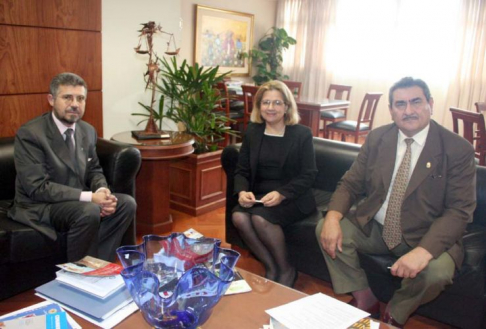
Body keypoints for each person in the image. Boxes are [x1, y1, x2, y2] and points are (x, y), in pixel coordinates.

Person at [316, 77, 476, 327]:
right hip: (377, 227)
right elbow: (350, 183)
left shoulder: (457, 149)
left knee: (436, 273)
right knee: (325, 229)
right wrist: (333, 217)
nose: (408, 110)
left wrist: (423, 252)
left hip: (427, 235)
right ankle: (364, 297)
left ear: (430, 104)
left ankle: (396, 313)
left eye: (416, 102)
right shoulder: (378, 138)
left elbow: (459, 211)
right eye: (400, 104)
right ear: (391, 110)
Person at [8, 72, 136, 262]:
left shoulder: (87, 130)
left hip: (74, 201)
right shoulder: (31, 134)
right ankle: (79, 276)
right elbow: (37, 188)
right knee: (89, 209)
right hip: (40, 205)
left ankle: (97, 264)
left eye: (80, 98)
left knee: (126, 204)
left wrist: (102, 191)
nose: (75, 104)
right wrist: (91, 198)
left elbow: (93, 170)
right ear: (51, 100)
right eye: (67, 97)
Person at [232, 80, 317, 287]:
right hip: (259, 194)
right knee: (239, 217)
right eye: (266, 103)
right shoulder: (253, 131)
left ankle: (286, 269)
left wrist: (281, 194)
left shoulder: (301, 134)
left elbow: (309, 174)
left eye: (277, 103)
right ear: (259, 106)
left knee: (261, 220)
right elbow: (241, 170)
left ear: (287, 107)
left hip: (292, 196)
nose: (271, 108)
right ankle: (271, 266)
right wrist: (242, 192)